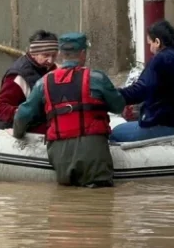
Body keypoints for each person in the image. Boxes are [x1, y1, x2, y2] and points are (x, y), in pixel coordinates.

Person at [12, 32, 127, 188]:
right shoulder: (98, 78)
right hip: (93, 152)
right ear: (83, 54)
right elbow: (118, 106)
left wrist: (17, 134)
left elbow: (23, 115)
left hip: (60, 154)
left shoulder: (43, 83)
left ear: (60, 54)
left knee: (67, 199)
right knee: (100, 200)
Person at [110, 20, 174, 142]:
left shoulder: (161, 59)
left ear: (157, 42)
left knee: (113, 133)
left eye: (150, 44)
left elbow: (140, 90)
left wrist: (113, 95)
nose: (150, 49)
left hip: (168, 125)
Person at [0, 30, 59, 133]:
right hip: (13, 128)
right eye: (46, 55)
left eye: (54, 56)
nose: (50, 60)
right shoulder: (18, 76)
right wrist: (22, 113)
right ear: (34, 53)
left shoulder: (50, 69)